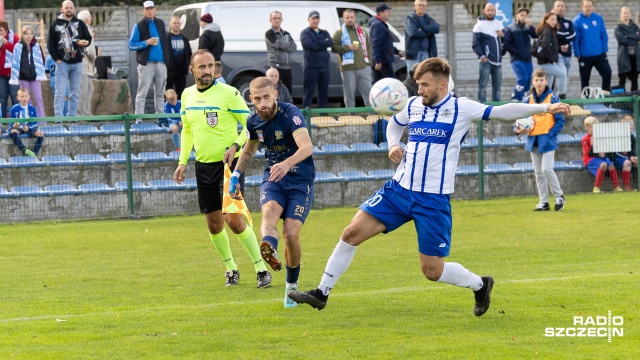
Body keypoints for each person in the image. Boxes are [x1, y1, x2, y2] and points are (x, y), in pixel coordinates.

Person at [287, 58, 571, 314]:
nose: (419, 90)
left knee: (432, 271)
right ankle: (321, 293)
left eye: (424, 85)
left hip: (432, 200)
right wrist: (393, 144)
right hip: (399, 190)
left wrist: (546, 106)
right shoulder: (412, 105)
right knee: (350, 233)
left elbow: (503, 111)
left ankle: (480, 285)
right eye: (418, 84)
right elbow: (394, 124)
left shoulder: (461, 108)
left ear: (442, 85)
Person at [173, 49, 271, 288]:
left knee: (233, 219)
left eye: (211, 66)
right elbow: (187, 130)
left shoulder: (229, 93)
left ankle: (261, 268)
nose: (208, 71)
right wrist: (182, 162)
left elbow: (249, 126)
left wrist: (236, 145)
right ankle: (231, 268)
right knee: (214, 224)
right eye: (202, 67)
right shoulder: (186, 96)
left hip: (230, 166)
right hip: (203, 166)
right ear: (192, 70)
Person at [229, 76, 315, 308]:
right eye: (258, 99)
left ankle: (291, 288)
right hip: (274, 179)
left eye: (267, 97)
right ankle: (270, 249)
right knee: (268, 215)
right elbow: (248, 150)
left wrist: (286, 164)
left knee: (291, 234)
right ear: (251, 100)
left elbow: (307, 146)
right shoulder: (253, 122)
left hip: (299, 180)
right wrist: (235, 175)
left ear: (275, 94)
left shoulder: (291, 114)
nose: (263, 103)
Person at [515, 69, 566, 211]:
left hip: (547, 139)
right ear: (533, 82)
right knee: (538, 173)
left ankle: (559, 196)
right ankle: (544, 202)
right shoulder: (527, 99)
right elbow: (521, 119)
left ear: (546, 81)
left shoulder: (552, 98)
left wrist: (551, 134)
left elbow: (560, 120)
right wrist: (518, 130)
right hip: (533, 139)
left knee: (547, 169)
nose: (539, 83)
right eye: (536, 80)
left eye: (541, 80)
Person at [47, 0, 92, 118]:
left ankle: (72, 117)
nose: (68, 9)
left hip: (77, 63)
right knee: (60, 93)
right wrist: (56, 59)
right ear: (62, 9)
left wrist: (86, 43)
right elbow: (50, 44)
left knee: (75, 93)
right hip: (62, 64)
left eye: (71, 7)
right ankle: (58, 118)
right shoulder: (55, 24)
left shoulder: (80, 23)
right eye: (66, 7)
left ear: (74, 9)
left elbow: (88, 38)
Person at [128, 0, 171, 120]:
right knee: (142, 92)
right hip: (146, 64)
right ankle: (139, 119)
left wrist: (167, 60)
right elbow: (131, 45)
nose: (149, 10)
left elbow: (165, 43)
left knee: (161, 93)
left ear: (155, 10)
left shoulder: (161, 23)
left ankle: (161, 118)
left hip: (161, 63)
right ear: (143, 11)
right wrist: (146, 43)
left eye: (151, 8)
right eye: (147, 8)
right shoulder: (139, 25)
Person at [331, 8, 372, 108]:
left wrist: (369, 63)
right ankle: (351, 116)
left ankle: (372, 115)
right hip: (347, 68)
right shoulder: (339, 33)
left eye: (352, 17)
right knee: (349, 93)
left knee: (369, 92)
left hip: (364, 67)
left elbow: (368, 47)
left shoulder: (362, 31)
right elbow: (334, 48)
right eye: (347, 17)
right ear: (343, 19)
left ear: (355, 18)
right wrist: (347, 48)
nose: (350, 19)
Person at [573, 0, 612, 92]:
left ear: (593, 7)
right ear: (582, 7)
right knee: (585, 79)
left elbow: (603, 34)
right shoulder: (577, 20)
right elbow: (575, 39)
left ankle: (605, 96)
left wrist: (605, 48)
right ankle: (586, 99)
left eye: (590, 6)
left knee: (607, 73)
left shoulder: (598, 18)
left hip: (599, 54)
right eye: (586, 6)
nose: (588, 8)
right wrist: (577, 53)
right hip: (585, 56)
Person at [9, 26, 47, 118]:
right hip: (23, 77)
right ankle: (28, 119)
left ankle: (42, 121)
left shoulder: (37, 46)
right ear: (23, 35)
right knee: (26, 99)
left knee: (39, 98)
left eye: (31, 34)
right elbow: (15, 61)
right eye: (27, 34)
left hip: (35, 76)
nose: (29, 36)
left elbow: (41, 59)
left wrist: (41, 72)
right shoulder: (18, 46)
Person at [472, 2, 504, 102]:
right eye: (488, 10)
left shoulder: (499, 24)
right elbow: (475, 43)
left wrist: (502, 35)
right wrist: (482, 56)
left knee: (497, 88)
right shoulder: (479, 25)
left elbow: (506, 41)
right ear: (484, 11)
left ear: (495, 11)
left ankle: (497, 112)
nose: (490, 12)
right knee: (482, 87)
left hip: (498, 62)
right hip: (486, 61)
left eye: (492, 10)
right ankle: (482, 111)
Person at [503, 8, 537, 101]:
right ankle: (515, 97)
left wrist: (531, 27)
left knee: (529, 79)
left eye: (525, 15)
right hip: (516, 59)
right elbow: (507, 43)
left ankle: (523, 96)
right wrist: (516, 52)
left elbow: (536, 35)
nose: (523, 17)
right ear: (516, 16)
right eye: (521, 15)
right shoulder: (510, 28)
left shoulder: (527, 28)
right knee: (522, 78)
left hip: (527, 58)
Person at [300, 10, 333, 109]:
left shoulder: (324, 32)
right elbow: (310, 45)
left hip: (324, 66)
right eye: (313, 18)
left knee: (323, 93)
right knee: (309, 92)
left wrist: (318, 43)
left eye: (317, 18)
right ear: (308, 20)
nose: (315, 20)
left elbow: (330, 43)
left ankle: (323, 115)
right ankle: (305, 117)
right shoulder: (305, 33)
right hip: (311, 67)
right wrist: (323, 43)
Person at [581, 116, 622, 193]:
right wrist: (593, 147)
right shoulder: (585, 139)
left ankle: (616, 187)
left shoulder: (600, 137)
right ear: (587, 127)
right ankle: (596, 187)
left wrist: (604, 153)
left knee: (611, 165)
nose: (594, 129)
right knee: (603, 165)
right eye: (592, 127)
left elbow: (605, 147)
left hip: (600, 157)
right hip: (590, 159)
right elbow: (589, 154)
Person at [534, 12, 567, 99]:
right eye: (551, 19)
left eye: (555, 19)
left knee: (548, 84)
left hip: (547, 61)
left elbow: (551, 46)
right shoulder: (547, 31)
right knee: (563, 75)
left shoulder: (550, 31)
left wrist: (560, 47)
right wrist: (551, 60)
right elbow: (545, 46)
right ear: (546, 20)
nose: (554, 21)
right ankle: (562, 96)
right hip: (546, 62)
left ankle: (544, 100)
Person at [370, 3, 405, 84]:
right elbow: (376, 44)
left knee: (378, 83)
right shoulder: (378, 25)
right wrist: (378, 61)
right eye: (387, 11)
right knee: (392, 82)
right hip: (383, 61)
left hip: (382, 60)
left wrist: (397, 51)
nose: (389, 14)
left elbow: (386, 44)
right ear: (381, 13)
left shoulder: (380, 24)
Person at [404, 0, 439, 73]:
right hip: (413, 54)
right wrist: (427, 33)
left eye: (423, 6)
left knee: (425, 77)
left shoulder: (428, 19)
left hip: (426, 53)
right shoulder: (409, 18)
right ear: (415, 6)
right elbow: (413, 32)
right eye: (419, 5)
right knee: (413, 77)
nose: (421, 7)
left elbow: (437, 28)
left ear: (426, 7)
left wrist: (423, 28)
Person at [265, 11, 297, 93]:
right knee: (274, 92)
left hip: (287, 68)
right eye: (274, 18)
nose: (277, 20)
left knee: (287, 92)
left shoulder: (287, 34)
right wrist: (287, 45)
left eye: (278, 18)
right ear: (270, 20)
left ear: (281, 20)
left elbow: (294, 47)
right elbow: (276, 44)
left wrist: (282, 45)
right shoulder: (269, 33)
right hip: (275, 67)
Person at [8, 88, 44, 158]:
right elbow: (11, 122)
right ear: (18, 98)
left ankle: (34, 153)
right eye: (22, 96)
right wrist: (14, 126)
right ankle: (24, 150)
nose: (24, 98)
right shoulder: (14, 108)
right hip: (19, 127)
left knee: (40, 134)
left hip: (30, 127)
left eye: (25, 96)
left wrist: (28, 127)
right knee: (12, 132)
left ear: (28, 97)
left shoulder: (32, 108)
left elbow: (35, 121)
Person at [614, 6, 640, 92]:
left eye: (627, 13)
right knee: (622, 81)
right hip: (624, 58)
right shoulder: (618, 28)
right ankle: (621, 103)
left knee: (634, 80)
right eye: (624, 13)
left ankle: (634, 102)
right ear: (621, 14)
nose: (626, 15)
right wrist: (634, 41)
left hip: (635, 58)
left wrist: (628, 36)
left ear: (630, 14)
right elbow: (622, 40)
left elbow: (638, 37)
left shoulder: (635, 27)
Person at [166, 15, 192, 99]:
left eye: (178, 23)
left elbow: (189, 53)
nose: (176, 25)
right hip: (168, 72)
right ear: (170, 24)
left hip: (181, 71)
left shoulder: (185, 39)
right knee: (167, 93)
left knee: (181, 94)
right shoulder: (166, 38)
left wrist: (188, 65)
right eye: (174, 23)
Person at [77, 10, 96, 116]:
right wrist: (94, 59)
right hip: (84, 65)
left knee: (89, 88)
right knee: (82, 91)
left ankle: (86, 113)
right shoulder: (87, 30)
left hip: (80, 65)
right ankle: (80, 115)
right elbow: (91, 50)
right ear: (87, 20)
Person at [0, 20, 19, 118]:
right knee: (2, 97)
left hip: (13, 73)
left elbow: (17, 51)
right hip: (1, 73)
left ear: (6, 30)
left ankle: (16, 120)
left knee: (15, 97)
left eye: (1, 30)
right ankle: (2, 120)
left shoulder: (15, 37)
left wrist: (6, 43)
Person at [551, 1, 575, 76]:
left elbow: (573, 36)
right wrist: (566, 34)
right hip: (556, 54)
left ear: (565, 8)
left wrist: (562, 37)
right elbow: (554, 36)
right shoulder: (552, 21)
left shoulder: (568, 22)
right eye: (558, 6)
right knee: (561, 76)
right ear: (554, 8)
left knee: (565, 78)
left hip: (567, 54)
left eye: (562, 6)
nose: (560, 8)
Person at [614, 115, 637, 191]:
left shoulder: (632, 137)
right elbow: (616, 152)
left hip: (627, 157)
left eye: (633, 124)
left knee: (637, 162)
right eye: (630, 124)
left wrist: (634, 156)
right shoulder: (618, 137)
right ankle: (626, 185)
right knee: (627, 163)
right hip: (617, 158)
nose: (632, 126)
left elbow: (633, 150)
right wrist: (628, 158)